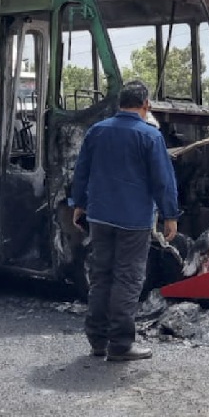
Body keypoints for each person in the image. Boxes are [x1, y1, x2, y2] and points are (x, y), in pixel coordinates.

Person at [70, 80, 180, 362]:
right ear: (146, 105)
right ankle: (120, 345)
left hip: (100, 216)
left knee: (101, 277)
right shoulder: (150, 136)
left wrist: (79, 204)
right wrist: (170, 216)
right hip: (133, 221)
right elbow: (163, 181)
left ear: (120, 104)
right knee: (127, 280)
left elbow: (81, 170)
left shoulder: (97, 130)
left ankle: (97, 341)